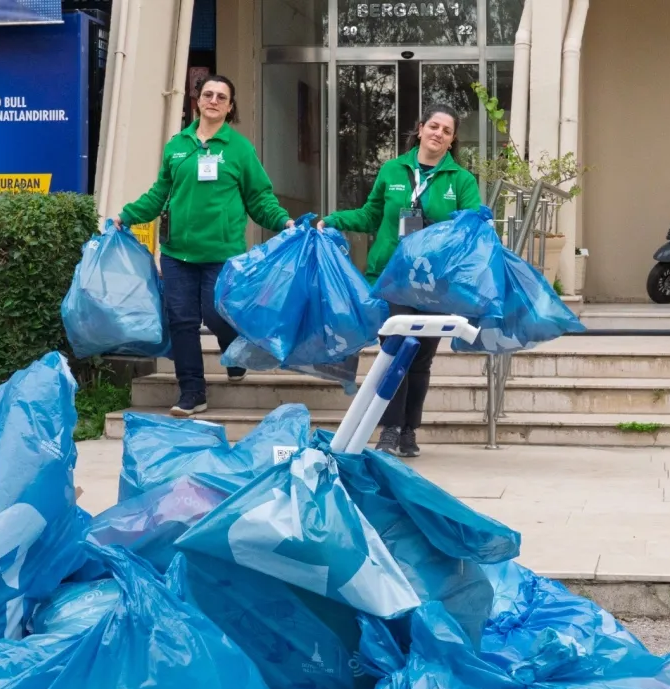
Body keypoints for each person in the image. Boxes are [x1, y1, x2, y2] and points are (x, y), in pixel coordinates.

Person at [118, 75, 294, 417]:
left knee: (217, 315)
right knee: (182, 321)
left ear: (230, 107)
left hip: (221, 254)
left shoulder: (239, 149)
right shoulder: (177, 145)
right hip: (177, 254)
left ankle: (235, 353)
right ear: (197, 101)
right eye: (208, 94)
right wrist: (127, 215)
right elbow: (159, 193)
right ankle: (192, 392)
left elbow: (259, 198)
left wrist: (284, 221)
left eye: (221, 97)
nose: (213, 100)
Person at [323, 106, 481, 457]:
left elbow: (470, 229)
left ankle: (410, 430)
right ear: (420, 129)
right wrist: (333, 220)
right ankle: (390, 428)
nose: (438, 133)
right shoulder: (392, 169)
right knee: (395, 351)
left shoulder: (461, 180)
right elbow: (370, 216)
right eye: (433, 126)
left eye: (446, 130)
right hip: (391, 277)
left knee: (421, 358)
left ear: (452, 140)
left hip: (433, 283)